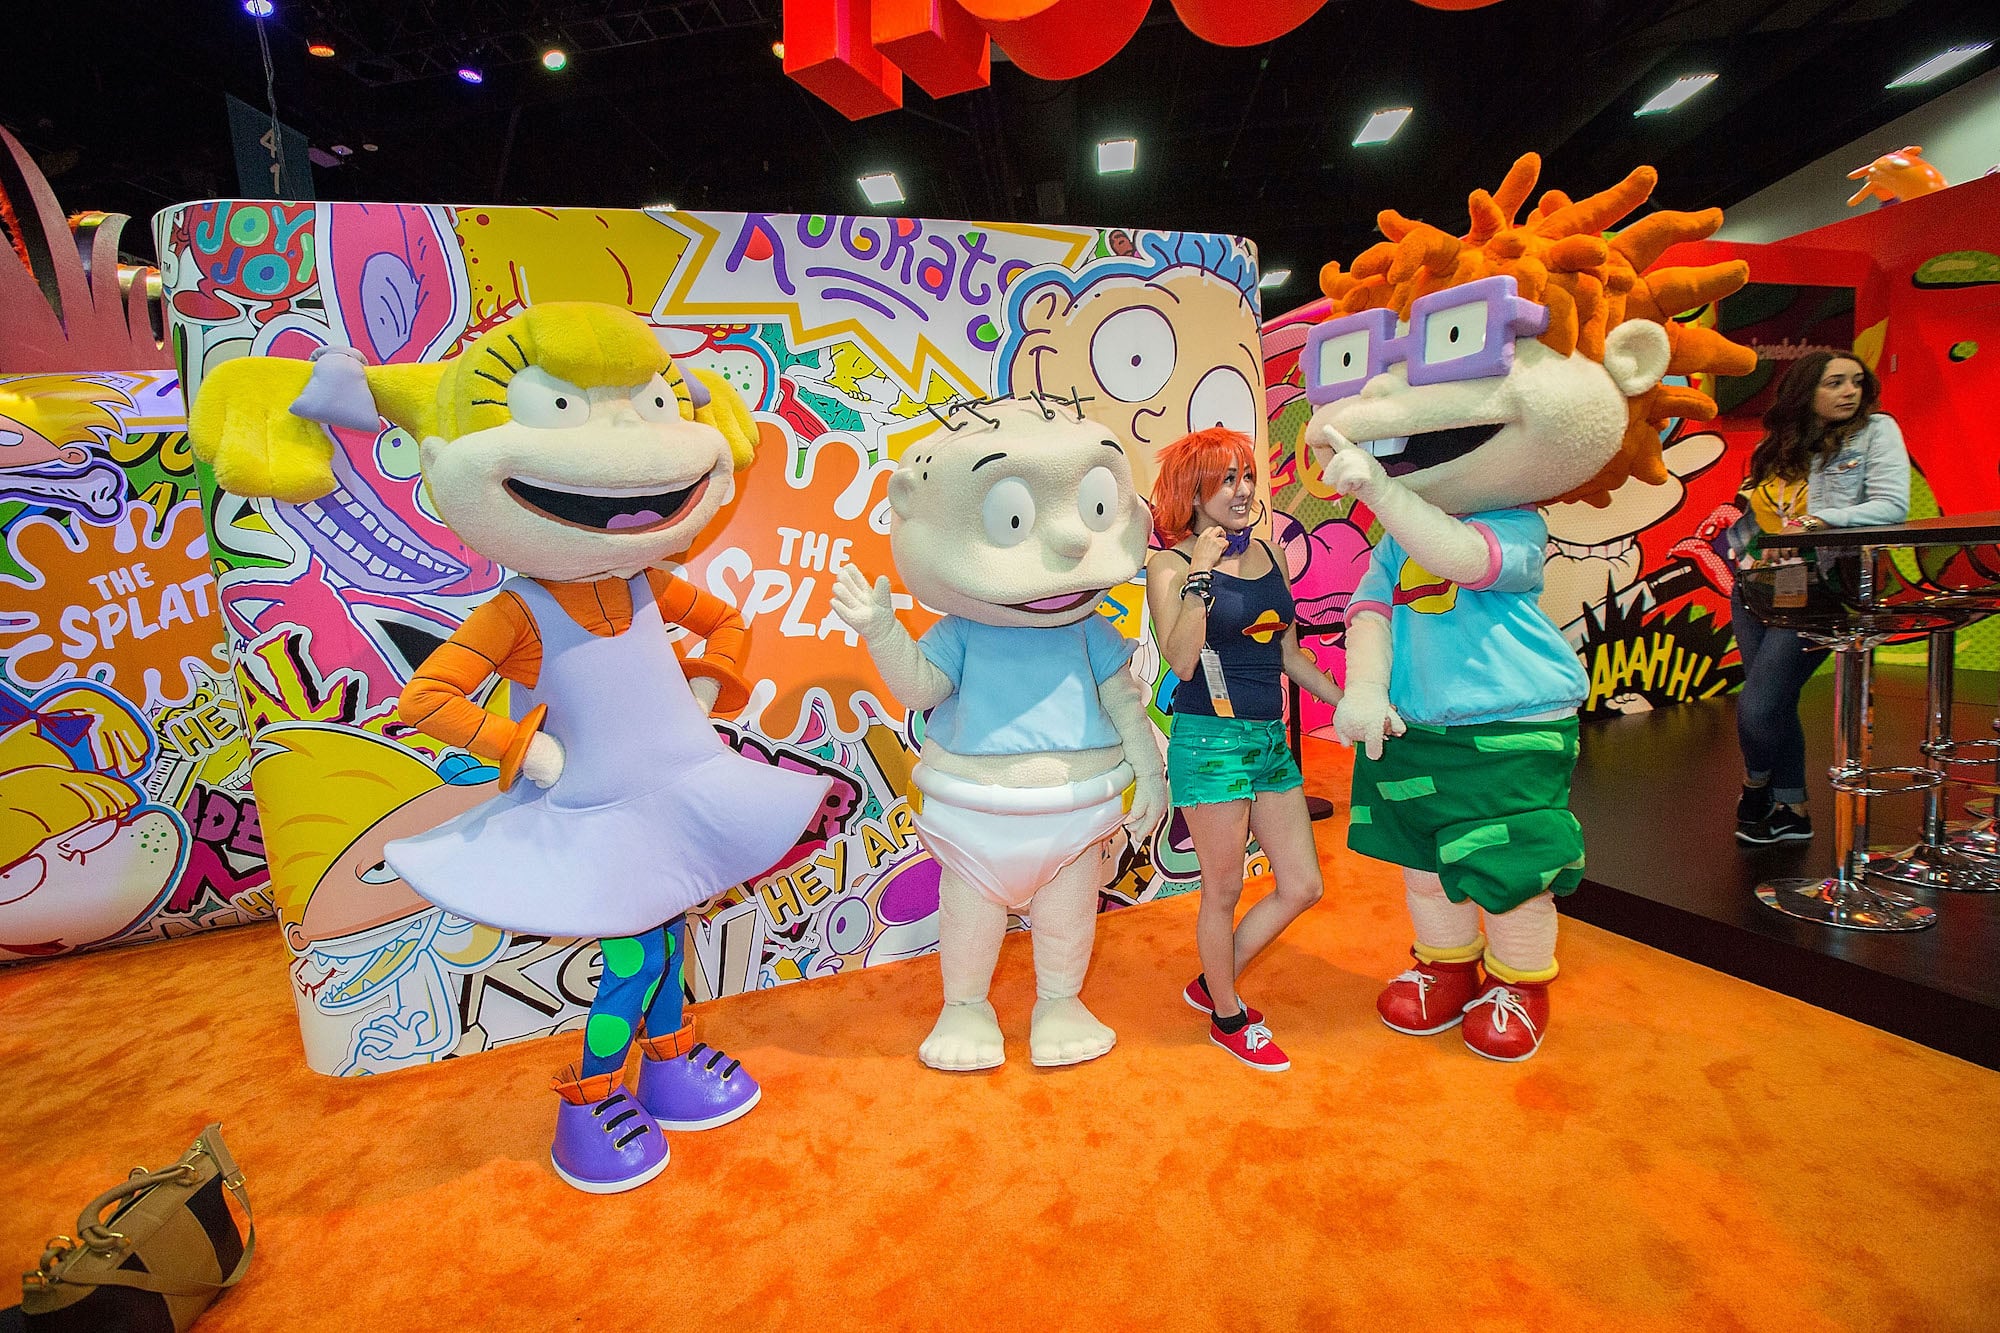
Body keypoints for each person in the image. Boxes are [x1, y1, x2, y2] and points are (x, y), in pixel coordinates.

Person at [1145, 427, 1344, 1071]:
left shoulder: (1270, 554)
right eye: (1226, 479)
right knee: (1224, 888)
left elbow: (1289, 654)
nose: (1242, 490)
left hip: (1267, 740)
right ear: (1192, 492)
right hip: (1209, 741)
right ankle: (1227, 1016)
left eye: (1247, 475)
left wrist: (1347, 704)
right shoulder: (1170, 566)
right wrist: (1200, 573)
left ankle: (1213, 979)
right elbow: (1180, 660)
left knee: (1303, 884)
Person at [1731, 351, 1910, 845]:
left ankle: (1755, 785)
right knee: (1776, 702)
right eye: (1835, 383)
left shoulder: (1875, 432)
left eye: (1856, 382)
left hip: (1819, 586)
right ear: (1806, 390)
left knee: (1759, 706)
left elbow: (1892, 507)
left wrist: (1822, 520)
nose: (1849, 392)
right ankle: (1793, 809)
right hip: (1752, 586)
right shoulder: (1776, 442)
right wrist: (1740, 550)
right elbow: (1754, 510)